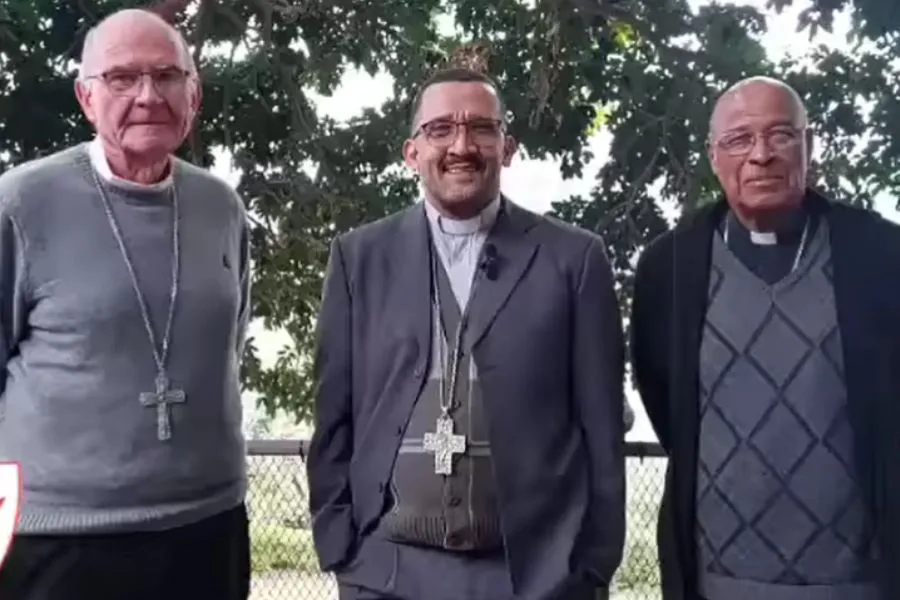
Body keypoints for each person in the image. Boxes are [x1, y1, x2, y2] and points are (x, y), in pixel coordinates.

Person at [306, 59, 627, 600]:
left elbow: (602, 424)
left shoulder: (574, 260)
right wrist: (341, 547)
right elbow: (332, 417)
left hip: (535, 579)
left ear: (507, 146)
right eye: (440, 130)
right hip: (386, 574)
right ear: (412, 152)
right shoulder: (358, 259)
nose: (462, 145)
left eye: (482, 127)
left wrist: (591, 566)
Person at [0, 9, 251, 600]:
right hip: (59, 541)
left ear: (194, 94)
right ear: (86, 97)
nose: (147, 96)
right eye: (121, 78)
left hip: (207, 530)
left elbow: (225, 343)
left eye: (167, 76)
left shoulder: (221, 207)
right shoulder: (21, 203)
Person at [631, 75, 900, 600]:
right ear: (713, 156)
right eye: (738, 139)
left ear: (808, 145)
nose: (761, 156)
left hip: (861, 584)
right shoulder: (671, 266)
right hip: (716, 583)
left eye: (780, 135)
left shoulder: (881, 255)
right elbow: (666, 401)